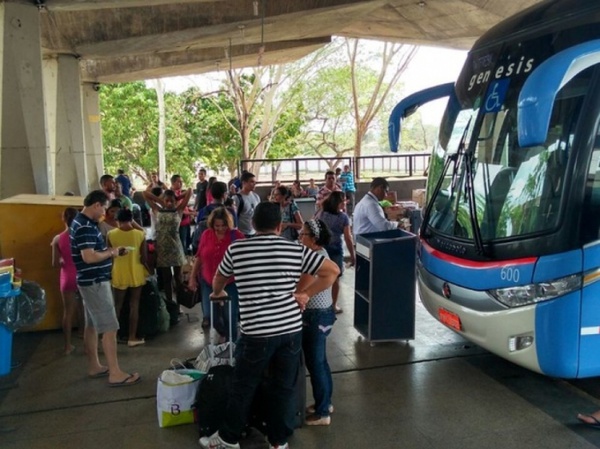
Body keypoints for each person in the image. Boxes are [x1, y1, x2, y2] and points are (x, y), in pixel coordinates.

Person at [199, 202, 340, 449]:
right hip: (290, 331)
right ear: (279, 226)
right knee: (283, 387)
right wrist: (305, 293)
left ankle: (228, 438)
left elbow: (218, 278)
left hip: (257, 333)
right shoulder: (294, 250)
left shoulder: (238, 249)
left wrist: (218, 293)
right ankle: (279, 441)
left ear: (253, 224)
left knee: (243, 386)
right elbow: (332, 271)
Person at [70, 190, 141, 386]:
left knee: (92, 325)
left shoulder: (81, 221)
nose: (104, 212)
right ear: (96, 205)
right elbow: (89, 257)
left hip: (88, 280)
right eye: (103, 207)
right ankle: (115, 373)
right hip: (94, 281)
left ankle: (95, 365)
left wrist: (112, 252)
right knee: (110, 327)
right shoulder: (85, 226)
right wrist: (111, 253)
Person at [298, 218, 336, 426]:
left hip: (314, 316)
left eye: (303, 235)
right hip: (324, 313)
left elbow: (300, 287)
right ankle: (326, 403)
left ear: (313, 239)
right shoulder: (320, 255)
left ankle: (322, 413)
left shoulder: (315, 258)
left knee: (315, 364)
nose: (300, 237)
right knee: (320, 361)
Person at [188, 207, 244, 336]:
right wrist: (192, 277)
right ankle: (224, 335)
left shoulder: (237, 236)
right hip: (208, 281)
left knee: (230, 315)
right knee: (209, 315)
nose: (220, 229)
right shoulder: (206, 235)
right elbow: (200, 257)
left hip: (230, 282)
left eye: (223, 225)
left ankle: (232, 345)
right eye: (217, 225)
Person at [107, 209, 150, 347]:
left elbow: (109, 256)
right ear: (132, 219)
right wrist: (150, 270)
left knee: (117, 306)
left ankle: (112, 337)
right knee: (134, 305)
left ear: (117, 220)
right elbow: (144, 258)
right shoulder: (140, 234)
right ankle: (132, 337)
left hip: (118, 273)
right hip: (136, 272)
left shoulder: (110, 234)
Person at [143, 188, 192, 304]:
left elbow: (189, 191)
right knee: (166, 278)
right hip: (162, 247)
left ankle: (180, 303)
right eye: (167, 201)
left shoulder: (179, 210)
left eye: (171, 201)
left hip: (175, 247)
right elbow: (145, 194)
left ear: (175, 202)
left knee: (178, 278)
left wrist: (176, 198)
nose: (169, 203)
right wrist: (160, 200)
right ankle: (170, 302)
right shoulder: (157, 209)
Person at [51, 207, 83, 355]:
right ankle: (86, 336)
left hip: (67, 277)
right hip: (83, 275)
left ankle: (67, 346)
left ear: (63, 219)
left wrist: (62, 259)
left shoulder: (58, 239)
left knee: (68, 312)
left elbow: (55, 263)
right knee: (85, 309)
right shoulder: (82, 236)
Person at [318, 191, 356, 314]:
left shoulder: (322, 214)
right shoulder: (343, 217)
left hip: (321, 249)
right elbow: (348, 237)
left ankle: (320, 304)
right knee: (335, 279)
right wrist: (352, 254)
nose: (345, 203)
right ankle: (333, 305)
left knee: (321, 277)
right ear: (338, 203)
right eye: (343, 201)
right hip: (335, 250)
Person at [232, 171, 261, 238]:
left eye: (255, 182)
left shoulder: (256, 197)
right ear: (244, 183)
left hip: (254, 233)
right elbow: (233, 216)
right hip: (241, 234)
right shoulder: (236, 198)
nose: (254, 184)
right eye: (251, 182)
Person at [171, 174, 193, 254]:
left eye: (181, 182)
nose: (181, 184)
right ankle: (183, 263)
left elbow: (184, 206)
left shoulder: (180, 193)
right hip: (180, 223)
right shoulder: (172, 194)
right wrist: (192, 213)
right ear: (173, 183)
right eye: (179, 182)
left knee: (187, 242)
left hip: (186, 222)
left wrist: (191, 210)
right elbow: (179, 210)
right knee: (182, 244)